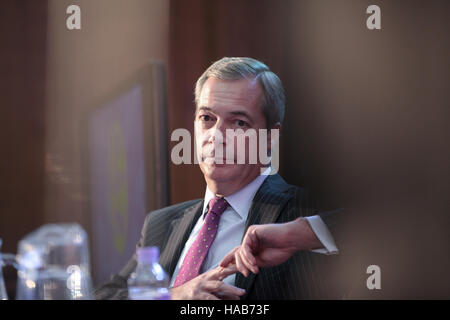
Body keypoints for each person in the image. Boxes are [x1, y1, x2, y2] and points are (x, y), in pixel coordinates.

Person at [94, 57, 343, 300]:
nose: (217, 136)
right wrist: (173, 296)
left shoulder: (307, 211)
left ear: (270, 137)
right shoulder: (160, 225)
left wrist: (297, 234)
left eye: (239, 122)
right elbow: (103, 295)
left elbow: (376, 228)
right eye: (207, 118)